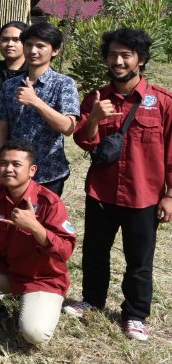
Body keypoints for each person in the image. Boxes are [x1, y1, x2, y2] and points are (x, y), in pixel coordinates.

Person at [67, 28, 172, 341]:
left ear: (140, 59)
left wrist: (170, 195)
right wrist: (96, 118)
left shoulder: (163, 102)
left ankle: (136, 313)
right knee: (95, 252)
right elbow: (85, 141)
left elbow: (171, 150)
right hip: (102, 191)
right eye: (113, 54)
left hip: (144, 194)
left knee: (140, 258)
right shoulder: (96, 98)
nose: (118, 60)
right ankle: (92, 300)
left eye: (126, 54)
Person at [0, 139, 75, 345]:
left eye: (16, 164)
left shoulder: (49, 202)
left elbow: (65, 252)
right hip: (6, 270)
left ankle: (38, 304)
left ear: (32, 170)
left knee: (34, 334)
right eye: (3, 163)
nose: (8, 169)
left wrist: (36, 228)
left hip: (41, 279)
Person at [0, 23, 79, 196]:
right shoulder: (10, 85)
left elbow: (68, 127)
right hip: (15, 172)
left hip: (49, 173)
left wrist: (35, 101)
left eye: (41, 46)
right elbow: (2, 128)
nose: (33, 51)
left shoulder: (64, 84)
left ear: (55, 50)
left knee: (41, 223)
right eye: (29, 45)